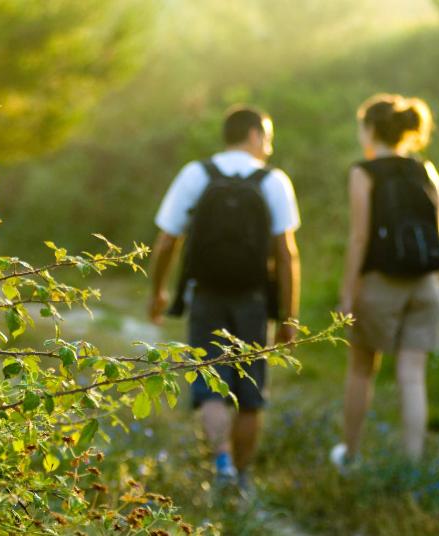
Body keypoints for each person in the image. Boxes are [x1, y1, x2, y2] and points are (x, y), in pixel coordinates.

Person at [148, 105, 301, 490]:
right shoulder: (273, 181)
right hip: (253, 298)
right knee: (250, 392)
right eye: (267, 136)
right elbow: (286, 254)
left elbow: (167, 240)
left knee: (211, 382)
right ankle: (243, 480)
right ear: (253, 135)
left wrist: (159, 292)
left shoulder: (196, 174)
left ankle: (222, 464)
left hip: (206, 294)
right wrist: (288, 316)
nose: (269, 145)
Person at [331, 93, 439, 469]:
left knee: (362, 369)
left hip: (381, 283)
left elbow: (359, 237)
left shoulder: (363, 172)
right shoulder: (426, 169)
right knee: (412, 375)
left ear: (370, 130)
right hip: (426, 283)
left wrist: (348, 292)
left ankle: (350, 455)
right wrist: (436, 282)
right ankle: (412, 464)